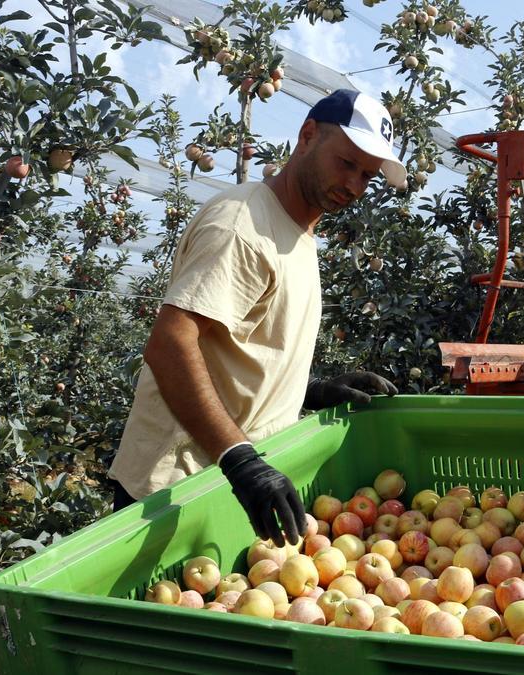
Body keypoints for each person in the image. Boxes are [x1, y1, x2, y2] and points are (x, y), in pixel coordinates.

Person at [109, 89, 403, 546]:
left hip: (225, 485)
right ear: (307, 136)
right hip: (173, 493)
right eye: (346, 163)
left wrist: (308, 390)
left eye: (367, 175)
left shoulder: (297, 229)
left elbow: (242, 347)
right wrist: (241, 460)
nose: (354, 185)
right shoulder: (242, 227)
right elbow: (169, 345)